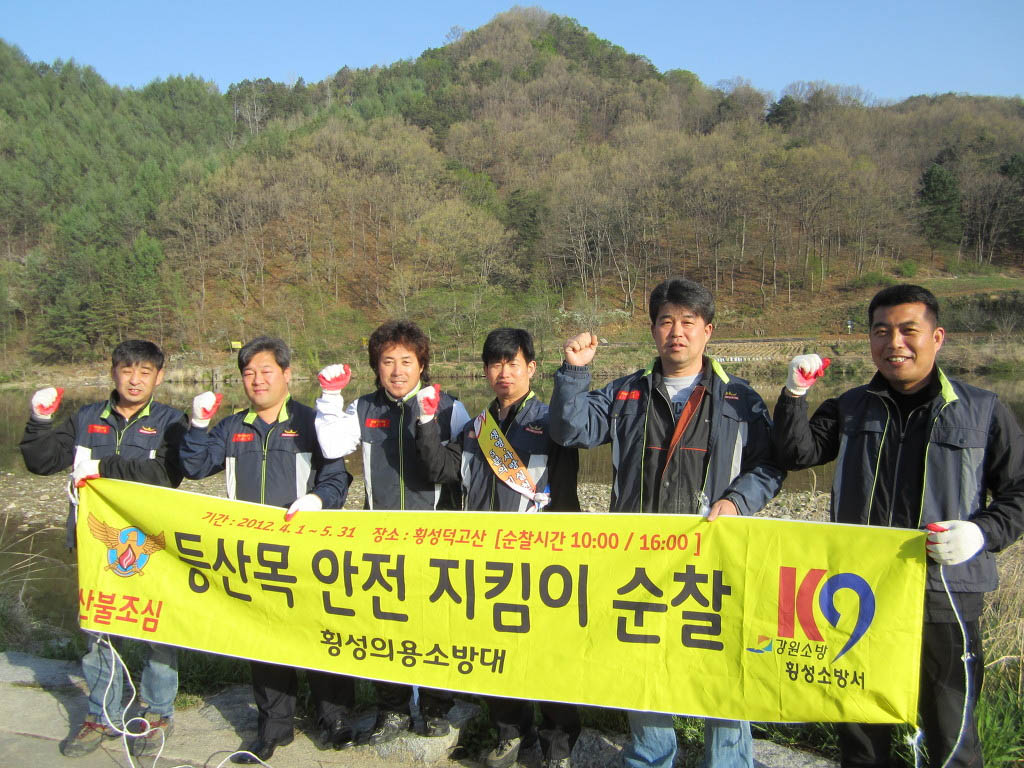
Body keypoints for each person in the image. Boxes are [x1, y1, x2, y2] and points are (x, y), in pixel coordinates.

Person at [772, 284, 1024, 768]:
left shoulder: (983, 409)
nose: (894, 344)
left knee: (951, 735)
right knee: (861, 734)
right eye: (881, 332)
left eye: (909, 331)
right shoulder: (850, 406)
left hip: (945, 597)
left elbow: (1018, 492)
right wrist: (794, 395)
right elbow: (794, 453)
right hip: (860, 594)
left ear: (937, 337)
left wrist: (982, 533)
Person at [549, 278, 784, 768]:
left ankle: (728, 762)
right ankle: (651, 756)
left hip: (714, 556)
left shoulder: (739, 399)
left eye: (688, 322)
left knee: (721, 660)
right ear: (653, 330)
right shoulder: (625, 392)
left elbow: (769, 466)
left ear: (708, 331)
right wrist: (574, 373)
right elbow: (571, 429)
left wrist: (738, 501)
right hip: (640, 559)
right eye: (666, 321)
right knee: (643, 659)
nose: (677, 332)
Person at [414, 327, 582, 768]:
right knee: (497, 651)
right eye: (495, 363)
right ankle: (512, 734)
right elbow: (441, 469)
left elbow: (566, 494)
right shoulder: (476, 429)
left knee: (547, 653)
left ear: (531, 367)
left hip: (540, 561)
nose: (503, 372)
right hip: (488, 563)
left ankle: (557, 745)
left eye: (513, 362)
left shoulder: (552, 424)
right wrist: (427, 423)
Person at [180, 336, 351, 764]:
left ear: (287, 374)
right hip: (252, 555)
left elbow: (337, 479)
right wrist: (198, 426)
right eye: (249, 373)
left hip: (306, 552)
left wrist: (318, 500)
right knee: (264, 639)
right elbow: (195, 467)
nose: (257, 380)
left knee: (318, 633)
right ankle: (274, 726)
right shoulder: (231, 428)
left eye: (266, 371)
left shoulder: (312, 422)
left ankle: (334, 718)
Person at [19, 340, 189, 759]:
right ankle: (100, 715)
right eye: (127, 370)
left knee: (156, 630)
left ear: (159, 377)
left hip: (151, 546)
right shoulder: (86, 417)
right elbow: (42, 462)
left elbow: (166, 474)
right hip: (95, 544)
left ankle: (157, 712)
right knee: (99, 631)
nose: (135, 380)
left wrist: (102, 467)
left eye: (145, 372)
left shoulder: (171, 420)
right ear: (113, 372)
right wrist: (39, 421)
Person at [314, 319, 470, 744]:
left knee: (435, 625)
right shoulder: (364, 409)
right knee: (386, 625)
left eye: (406, 360)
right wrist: (330, 398)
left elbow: (462, 469)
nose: (397, 370)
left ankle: (436, 706)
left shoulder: (451, 408)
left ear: (422, 365)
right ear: (376, 367)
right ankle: (394, 709)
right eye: (387, 361)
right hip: (379, 540)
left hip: (435, 541)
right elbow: (332, 447)